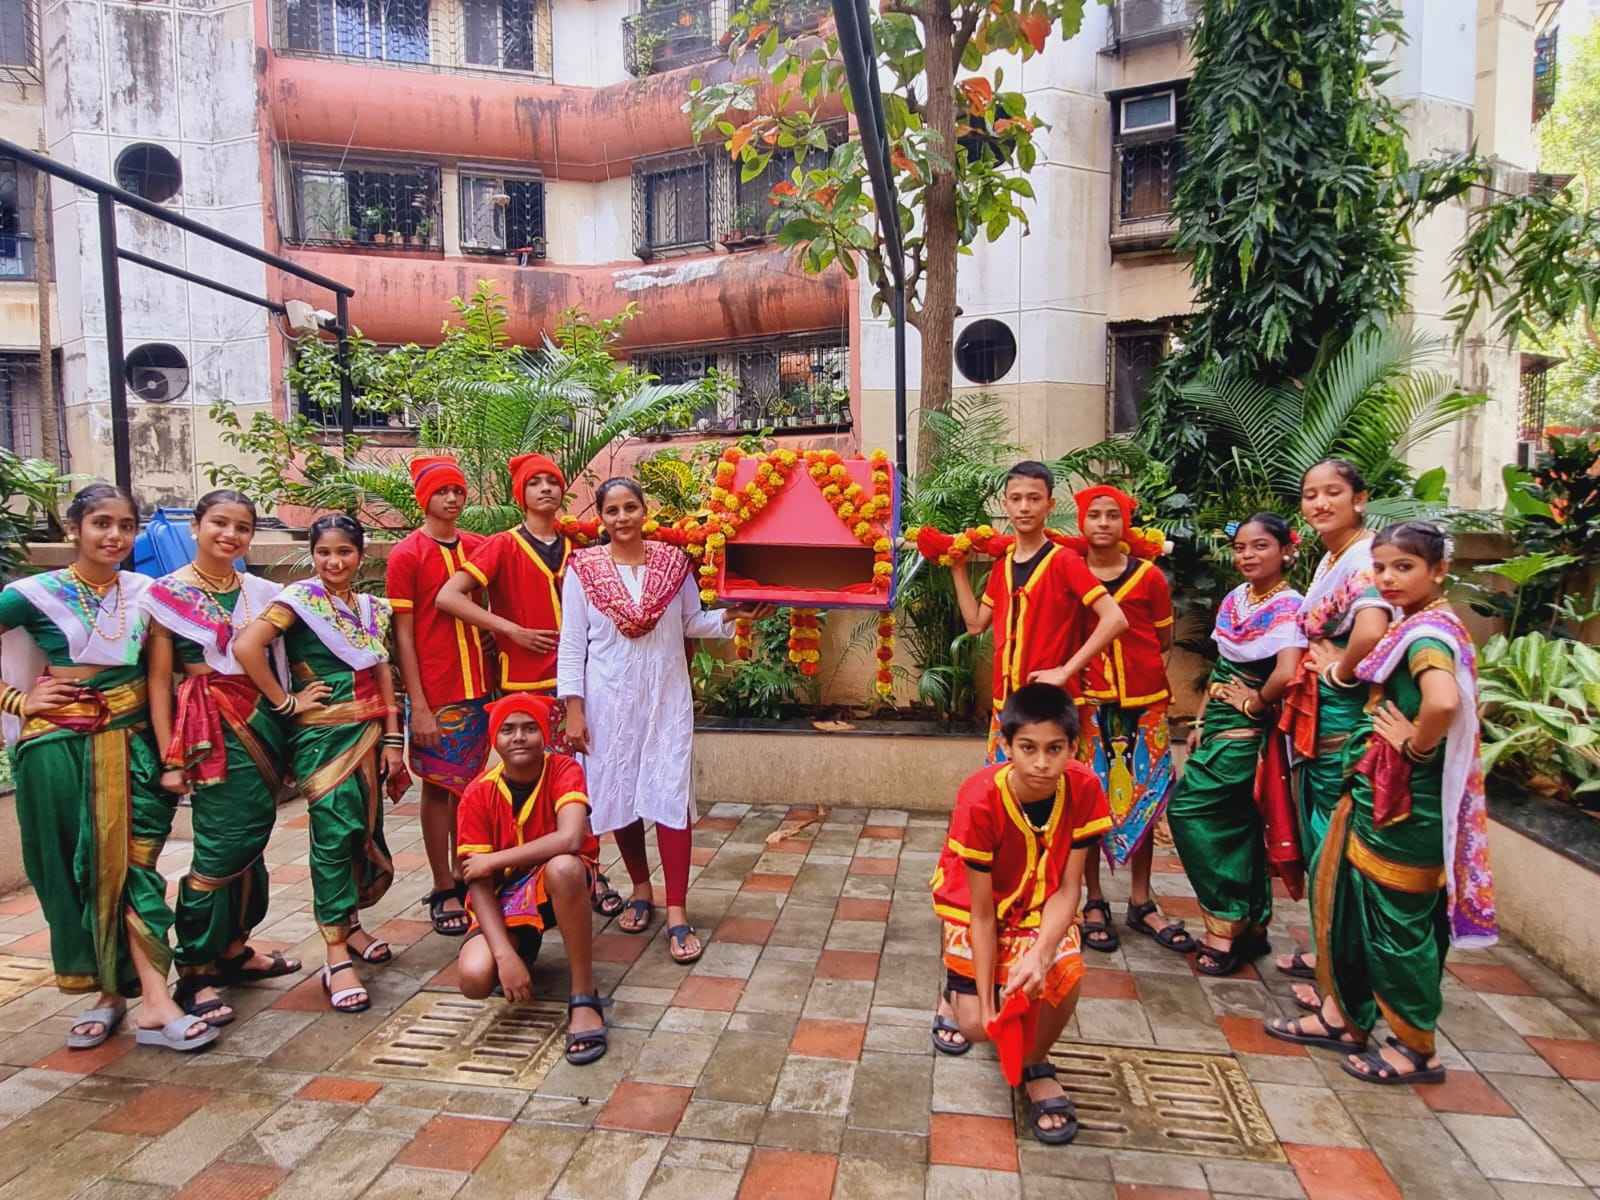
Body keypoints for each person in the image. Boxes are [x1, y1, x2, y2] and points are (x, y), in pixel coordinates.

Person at [1265, 521, 1496, 1085]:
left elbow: (1441, 702)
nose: (1389, 578)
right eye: (1383, 567)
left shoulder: (1427, 637)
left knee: (1398, 926)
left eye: (1405, 567)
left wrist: (1415, 745)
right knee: (1351, 906)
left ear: (1438, 571)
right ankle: (1344, 1016)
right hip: (1379, 799)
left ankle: (1415, 1049)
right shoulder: (1417, 623)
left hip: (1404, 810)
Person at [0, 484, 216, 1052]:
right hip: (58, 751)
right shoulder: (33, 594)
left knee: (132, 869)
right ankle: (112, 994)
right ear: (74, 529)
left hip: (135, 747)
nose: (115, 535)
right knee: (75, 872)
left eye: (125, 525)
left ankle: (154, 999)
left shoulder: (149, 593)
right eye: (101, 523)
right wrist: (18, 701)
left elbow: (176, 670)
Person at [936, 460, 1127, 1051]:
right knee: (998, 822)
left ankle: (1064, 915)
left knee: (1064, 817)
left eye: (1034, 498)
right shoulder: (1001, 565)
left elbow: (1114, 618)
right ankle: (978, 952)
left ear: (1049, 504)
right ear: (1006, 504)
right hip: (1006, 717)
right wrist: (959, 569)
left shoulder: (1064, 561)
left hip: (1050, 718)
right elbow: (976, 623)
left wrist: (1067, 669)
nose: (1023, 507)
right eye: (1015, 498)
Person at [557, 477, 770, 965]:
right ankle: (641, 889)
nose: (622, 518)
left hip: (666, 698)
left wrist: (733, 615)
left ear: (644, 510)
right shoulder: (583, 570)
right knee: (620, 793)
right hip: (607, 701)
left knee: (670, 796)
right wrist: (574, 709)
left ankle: (677, 911)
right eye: (612, 510)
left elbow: (691, 622)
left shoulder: (674, 564)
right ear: (600, 518)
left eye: (630, 507)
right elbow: (571, 644)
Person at [437, 452, 624, 919]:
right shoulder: (502, 545)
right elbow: (448, 596)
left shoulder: (579, 547)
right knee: (533, 779)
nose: (546, 489)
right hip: (524, 684)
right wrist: (509, 630)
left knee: (582, 778)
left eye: (553, 481)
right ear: (520, 494)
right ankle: (530, 873)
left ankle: (587, 868)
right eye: (535, 482)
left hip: (580, 682)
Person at [234, 514, 407, 1014]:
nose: (334, 561)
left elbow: (382, 673)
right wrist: (286, 702)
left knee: (362, 831)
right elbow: (246, 646)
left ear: (361, 555)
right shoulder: (298, 602)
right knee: (334, 836)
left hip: (369, 732)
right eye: (324, 552)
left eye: (345, 552)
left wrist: (393, 739)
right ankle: (334, 953)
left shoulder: (370, 608)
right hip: (322, 738)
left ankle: (349, 925)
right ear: (312, 555)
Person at [144, 490, 302, 1027]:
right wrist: (170, 758)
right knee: (219, 847)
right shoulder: (167, 595)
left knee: (252, 838)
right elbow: (159, 680)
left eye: (242, 527)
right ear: (196, 526)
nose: (230, 535)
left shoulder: (261, 592)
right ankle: (194, 968)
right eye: (219, 523)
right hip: (210, 727)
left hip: (262, 721)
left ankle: (234, 947)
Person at [930, 683, 1109, 1145]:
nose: (1042, 763)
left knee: (1066, 969)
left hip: (1043, 902)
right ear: (1006, 746)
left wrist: (1041, 953)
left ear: (1074, 747)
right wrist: (990, 1010)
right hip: (979, 905)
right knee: (977, 1027)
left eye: (1055, 749)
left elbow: (1070, 887)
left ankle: (1035, 1063)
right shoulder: (978, 799)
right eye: (1028, 748)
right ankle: (954, 995)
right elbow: (982, 914)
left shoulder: (1085, 788)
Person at [1168, 513, 1306, 976]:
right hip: (1218, 725)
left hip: (1246, 734)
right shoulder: (1236, 599)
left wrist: (1255, 704)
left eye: (1260, 546)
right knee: (1239, 825)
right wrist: (1201, 719)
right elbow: (1223, 667)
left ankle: (1224, 926)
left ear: (1287, 550)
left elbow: (1287, 672)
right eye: (1241, 547)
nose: (1247, 555)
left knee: (1190, 811)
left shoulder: (1289, 605)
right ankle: (1251, 925)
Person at [1274, 460, 1392, 993]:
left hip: (1341, 717)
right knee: (1322, 833)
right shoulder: (1333, 556)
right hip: (1319, 713)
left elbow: (1371, 629)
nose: (1320, 503)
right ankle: (1328, 951)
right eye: (1310, 494)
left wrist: (1339, 672)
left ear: (1359, 499)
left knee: (1333, 838)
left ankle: (1340, 978)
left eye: (1333, 492)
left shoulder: (1365, 558)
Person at [454, 693, 608, 1065]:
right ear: (494, 739)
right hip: (503, 897)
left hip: (560, 883)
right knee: (474, 978)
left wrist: (493, 860)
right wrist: (504, 956)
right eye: (508, 729)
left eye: (529, 728)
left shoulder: (564, 769)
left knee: (564, 866)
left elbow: (570, 839)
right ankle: (520, 944)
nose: (519, 737)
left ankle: (584, 996)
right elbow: (478, 881)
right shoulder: (477, 793)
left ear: (545, 734)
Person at [1073, 485, 1189, 957]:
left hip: (1144, 707)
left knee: (1146, 798)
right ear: (1081, 522)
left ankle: (1142, 900)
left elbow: (1162, 640)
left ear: (1125, 523)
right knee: (1087, 802)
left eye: (1112, 515)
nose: (1103, 523)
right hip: (1088, 706)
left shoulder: (1149, 577)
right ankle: (1093, 899)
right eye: (1094, 514)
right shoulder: (1069, 572)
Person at [387, 455, 491, 937]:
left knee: (471, 787)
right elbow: (404, 635)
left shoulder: (478, 547)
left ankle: (468, 871)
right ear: (423, 499)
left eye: (458, 490)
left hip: (481, 687)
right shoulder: (407, 554)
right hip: (437, 689)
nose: (452, 499)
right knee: (436, 786)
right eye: (442, 492)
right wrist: (420, 705)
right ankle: (442, 883)